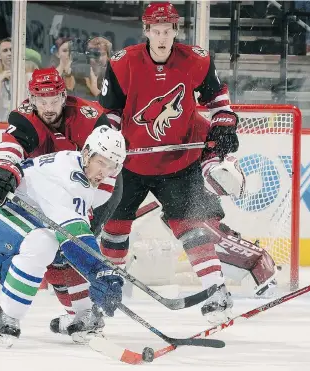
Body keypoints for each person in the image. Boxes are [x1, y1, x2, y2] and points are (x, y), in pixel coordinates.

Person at [98, 2, 278, 324]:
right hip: (131, 162)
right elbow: (109, 112)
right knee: (115, 226)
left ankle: (216, 291)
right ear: (147, 31)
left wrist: (224, 123)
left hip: (180, 160)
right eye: (156, 31)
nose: (163, 37)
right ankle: (112, 287)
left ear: (175, 31)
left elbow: (217, 97)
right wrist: (107, 141)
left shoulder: (195, 59)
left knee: (192, 225)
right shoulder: (123, 63)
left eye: (168, 31)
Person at [0, 68, 122, 343]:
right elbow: (11, 146)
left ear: (64, 95)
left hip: (10, 205)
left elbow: (102, 171)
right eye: (41, 101)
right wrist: (5, 167)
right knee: (48, 244)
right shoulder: (67, 170)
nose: (48, 107)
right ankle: (16, 318)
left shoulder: (89, 127)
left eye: (53, 100)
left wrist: (97, 268)